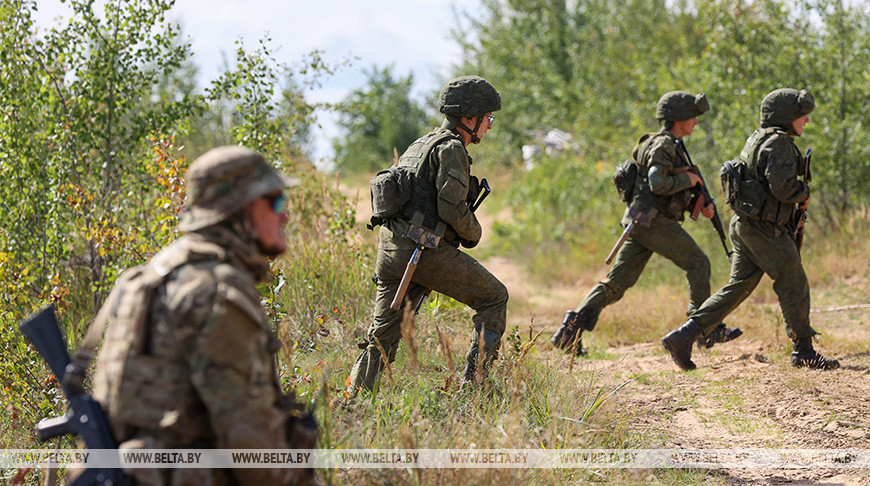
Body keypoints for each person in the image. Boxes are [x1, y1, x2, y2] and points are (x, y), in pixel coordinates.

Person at [90, 146, 316, 485]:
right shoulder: (216, 290)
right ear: (238, 209)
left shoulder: (155, 272)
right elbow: (252, 448)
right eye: (276, 201)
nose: (284, 215)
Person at [348, 75, 508, 391]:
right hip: (422, 252)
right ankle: (475, 387)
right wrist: (473, 233)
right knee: (494, 297)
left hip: (391, 250)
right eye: (487, 117)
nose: (489, 125)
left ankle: (355, 399)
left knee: (383, 332)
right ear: (469, 117)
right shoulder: (452, 149)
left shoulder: (421, 143)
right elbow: (452, 209)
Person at [551, 91, 741, 355]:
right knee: (698, 263)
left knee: (616, 285)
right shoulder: (663, 145)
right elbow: (657, 184)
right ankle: (703, 329)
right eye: (692, 117)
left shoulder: (670, 143)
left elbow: (660, 188)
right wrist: (691, 180)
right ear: (679, 118)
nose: (696, 122)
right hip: (653, 222)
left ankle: (569, 332)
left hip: (642, 222)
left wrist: (695, 202)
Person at [661, 89, 839, 371]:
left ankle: (684, 336)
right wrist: (803, 192)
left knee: (738, 288)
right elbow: (782, 188)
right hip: (763, 229)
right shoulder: (779, 143)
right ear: (784, 117)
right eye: (800, 115)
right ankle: (804, 350)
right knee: (793, 280)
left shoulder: (758, 138)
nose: (805, 120)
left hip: (744, 225)